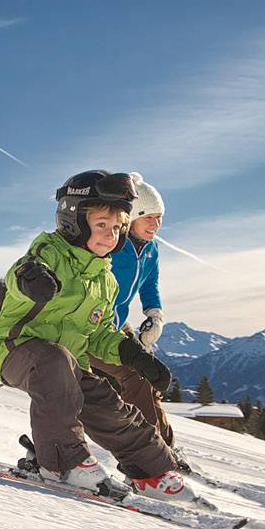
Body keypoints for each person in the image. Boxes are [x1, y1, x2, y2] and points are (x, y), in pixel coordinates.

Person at [0, 170, 194, 501]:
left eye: (117, 228)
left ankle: (152, 471)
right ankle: (61, 463)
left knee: (111, 407)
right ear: (74, 222)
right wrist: (30, 278)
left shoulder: (106, 280)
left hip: (69, 366)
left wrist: (132, 355)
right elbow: (19, 272)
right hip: (18, 350)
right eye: (101, 225)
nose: (110, 235)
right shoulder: (50, 252)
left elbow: (98, 333)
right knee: (55, 361)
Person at [90, 172, 175, 446]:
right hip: (93, 326)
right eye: (149, 216)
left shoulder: (151, 250)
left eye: (160, 217)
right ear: (132, 217)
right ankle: (151, 451)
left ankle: (166, 446)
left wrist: (154, 314)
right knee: (136, 379)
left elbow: (150, 284)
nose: (156, 224)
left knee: (149, 380)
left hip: (118, 323)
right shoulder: (112, 245)